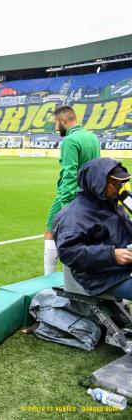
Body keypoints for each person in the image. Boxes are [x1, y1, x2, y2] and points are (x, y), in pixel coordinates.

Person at [54, 158, 132, 299]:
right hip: (101, 277)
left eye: (121, 184)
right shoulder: (74, 215)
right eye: (114, 184)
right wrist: (112, 255)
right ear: (97, 183)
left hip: (122, 269)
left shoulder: (111, 204)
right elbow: (68, 252)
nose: (119, 188)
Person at [44, 106, 100, 275]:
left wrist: (65, 204)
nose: (55, 128)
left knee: (50, 232)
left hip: (71, 196)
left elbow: (69, 173)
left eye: (56, 123)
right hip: (91, 195)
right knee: (85, 236)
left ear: (63, 120)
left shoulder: (70, 141)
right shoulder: (92, 137)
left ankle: (48, 281)